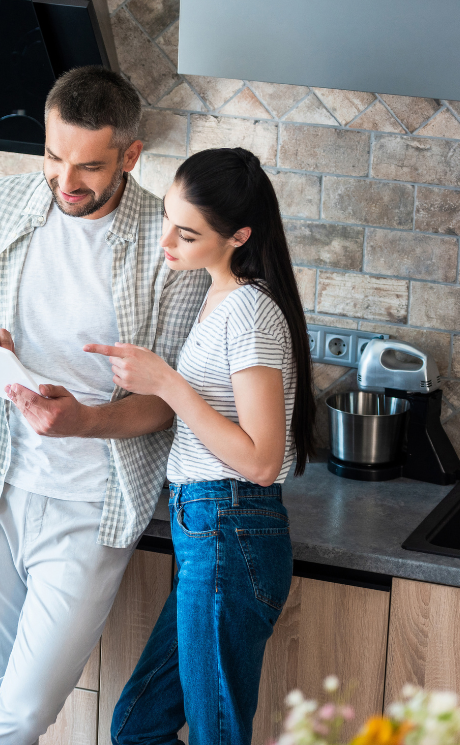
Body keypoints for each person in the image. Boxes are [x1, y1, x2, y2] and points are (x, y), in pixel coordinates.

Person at [0, 66, 209, 745]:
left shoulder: (169, 245)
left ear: (132, 157)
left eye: (89, 166)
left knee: (18, 714)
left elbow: (165, 403)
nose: (66, 181)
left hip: (89, 507)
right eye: (53, 157)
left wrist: (86, 420)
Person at [86, 147, 315, 745]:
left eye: (186, 233)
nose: (168, 242)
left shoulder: (250, 314)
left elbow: (262, 459)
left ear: (239, 235)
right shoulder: (217, 298)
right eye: (168, 218)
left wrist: (168, 383)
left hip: (230, 526)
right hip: (209, 531)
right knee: (138, 725)